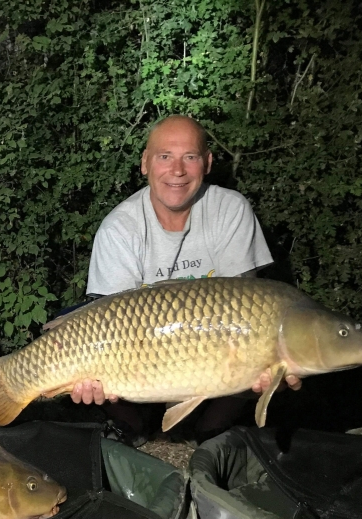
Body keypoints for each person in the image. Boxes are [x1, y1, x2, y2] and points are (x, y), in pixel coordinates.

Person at [67, 115, 300, 438]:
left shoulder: (230, 210)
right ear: (145, 163)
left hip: (213, 354)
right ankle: (131, 425)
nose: (177, 171)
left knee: (262, 357)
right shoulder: (120, 228)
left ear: (206, 163)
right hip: (137, 356)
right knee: (84, 356)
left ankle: (213, 430)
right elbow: (109, 323)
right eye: (165, 157)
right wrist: (89, 378)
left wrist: (261, 370)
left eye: (189, 157)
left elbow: (246, 315)